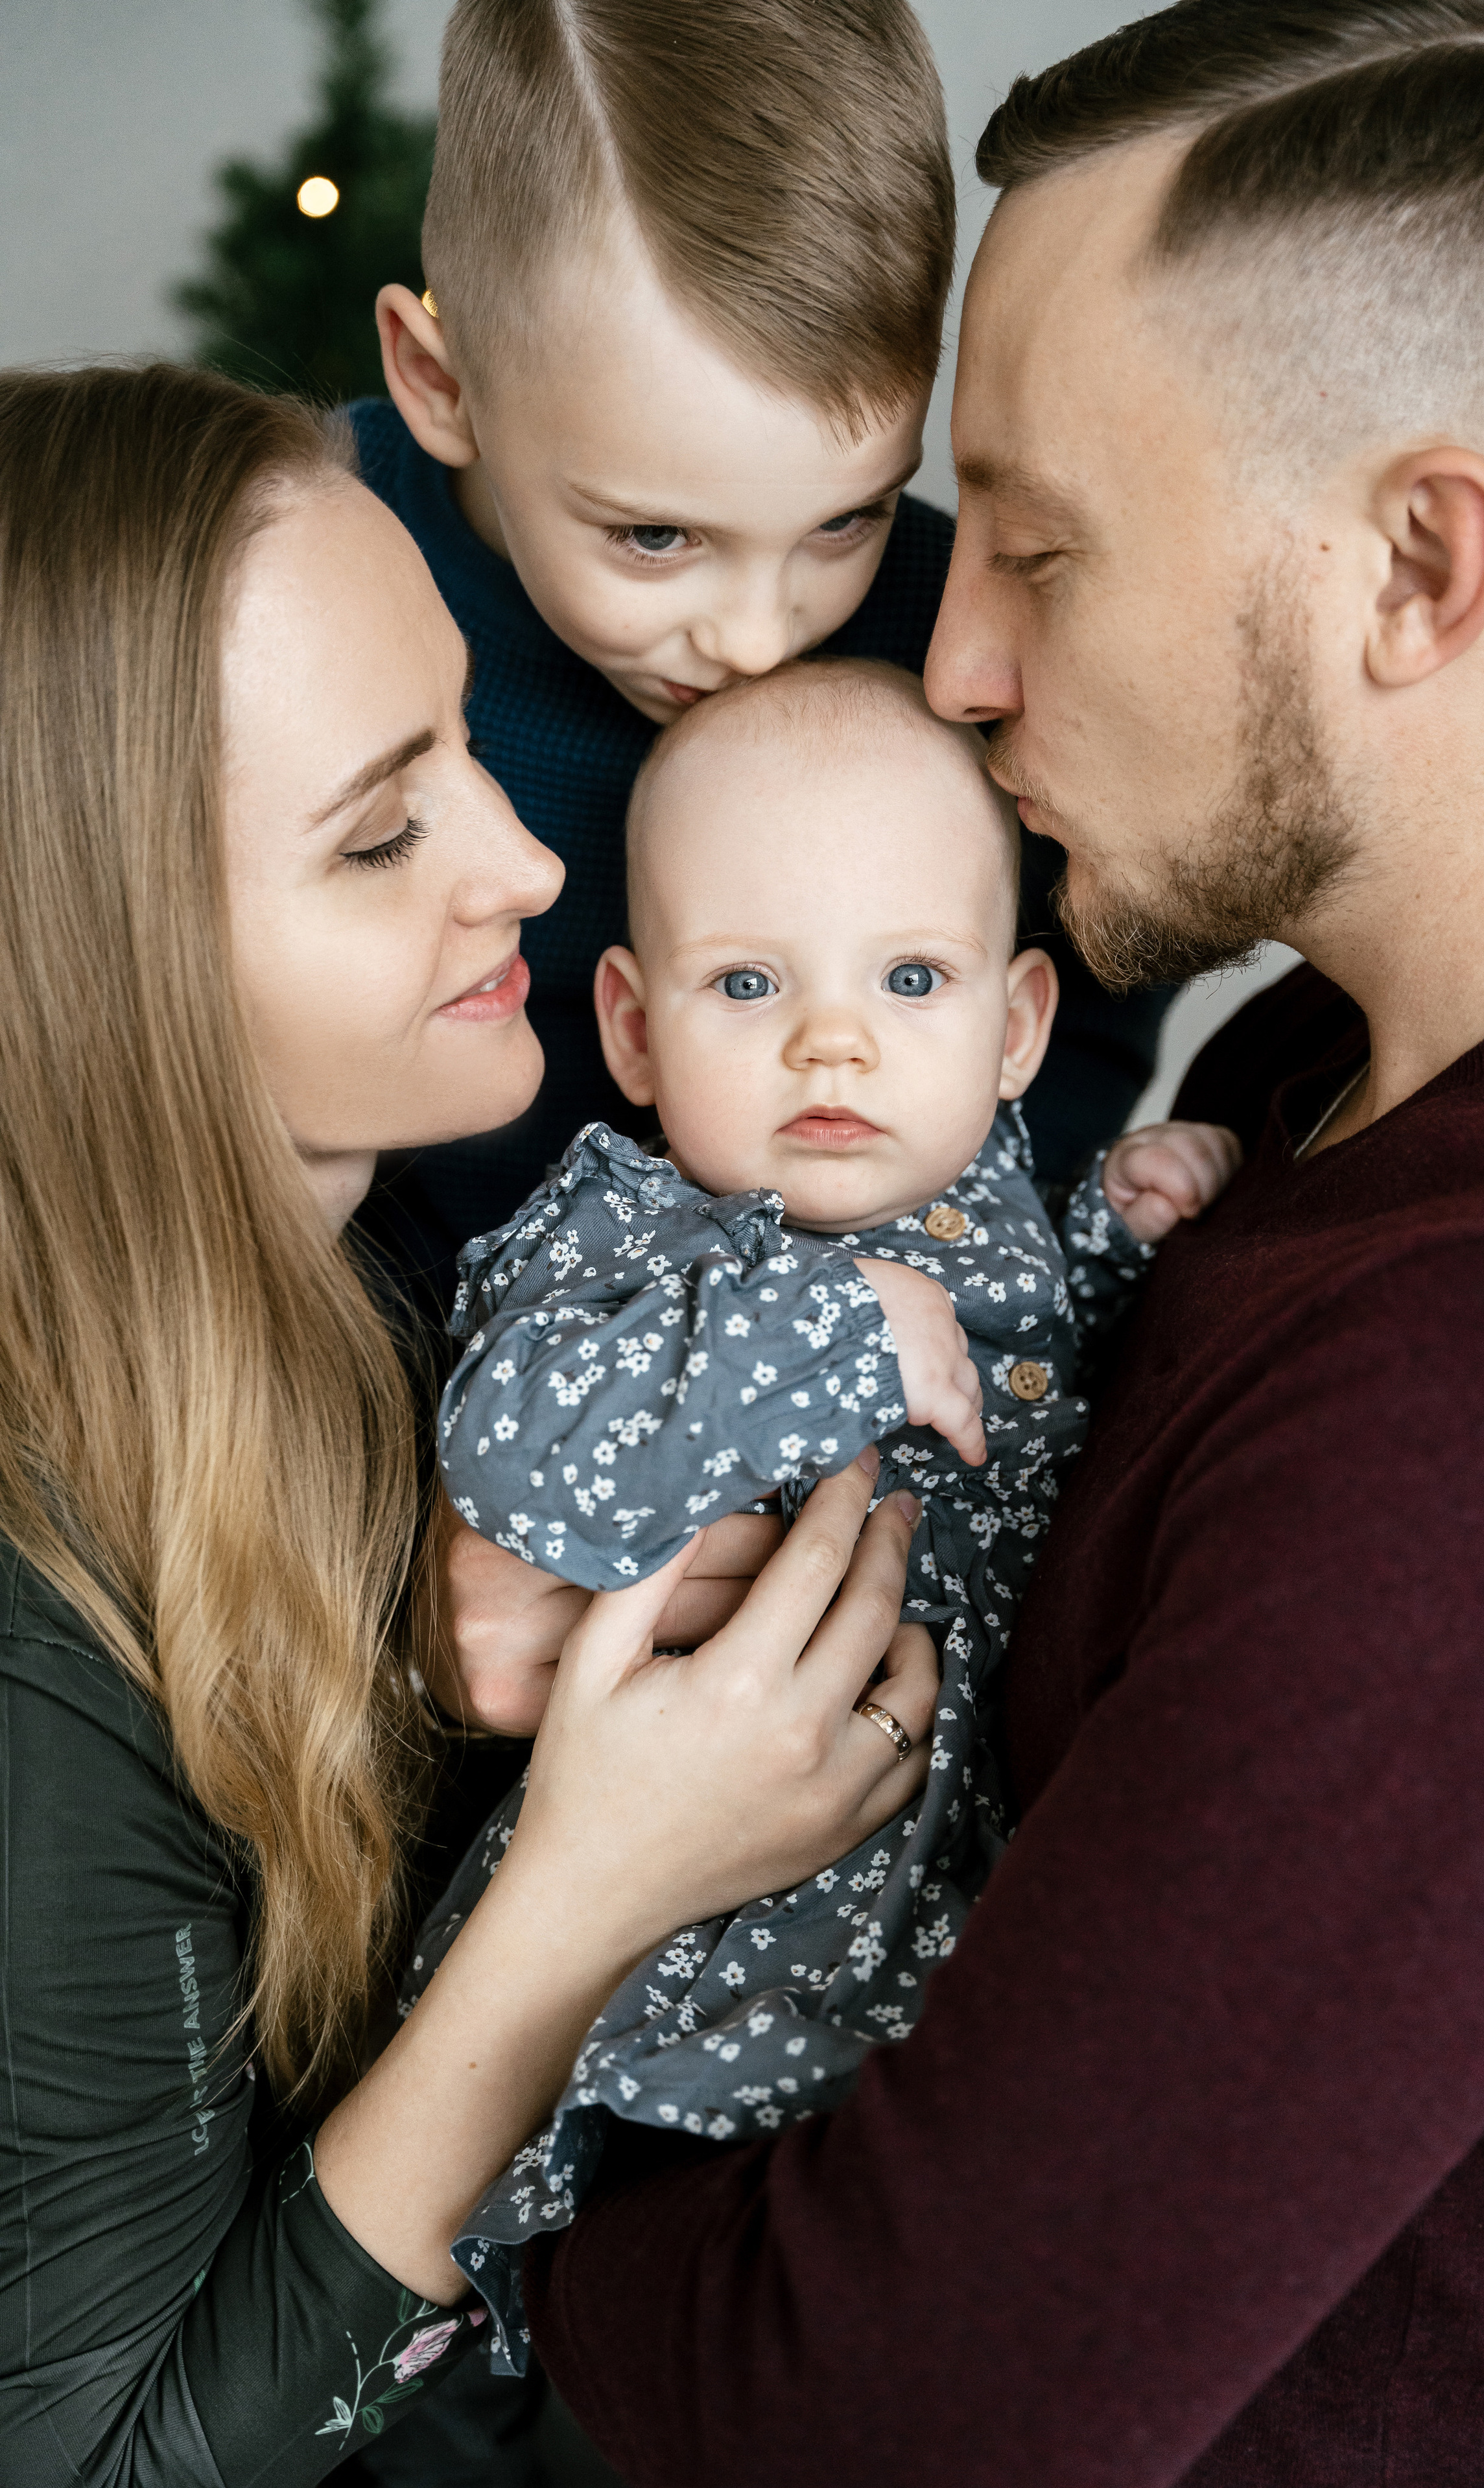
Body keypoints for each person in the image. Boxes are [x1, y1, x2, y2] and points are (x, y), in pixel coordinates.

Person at [478, 3, 1484, 2482]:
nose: (950, 654)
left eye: (1033, 537)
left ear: (1422, 566)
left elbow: (888, 2408)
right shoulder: (1286, 1087)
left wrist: (457, 2187)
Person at [0, 362, 947, 2486]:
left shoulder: (399, 1272)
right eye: (379, 824)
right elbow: (108, 2461)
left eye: (455, 732)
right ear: (99, 956)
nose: (528, 858)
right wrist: (586, 1896)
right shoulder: (30, 1643)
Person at [406, 660, 1237, 2363]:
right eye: (751, 980)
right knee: (629, 2332)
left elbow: (1035, 1411)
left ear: (1014, 1029)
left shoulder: (995, 1210)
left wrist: (1118, 1243)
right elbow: (513, 1452)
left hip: (951, 1953)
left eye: (909, 976)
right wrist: (831, 1332)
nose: (833, 1037)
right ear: (635, 1026)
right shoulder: (633, 1234)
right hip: (688, 1970)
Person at [353, 0, 1170, 1302]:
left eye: (846, 516)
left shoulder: (957, 636)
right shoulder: (311, 575)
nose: (754, 637)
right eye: (656, 534)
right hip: (370, 1348)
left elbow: (1089, 971)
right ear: (443, 382)